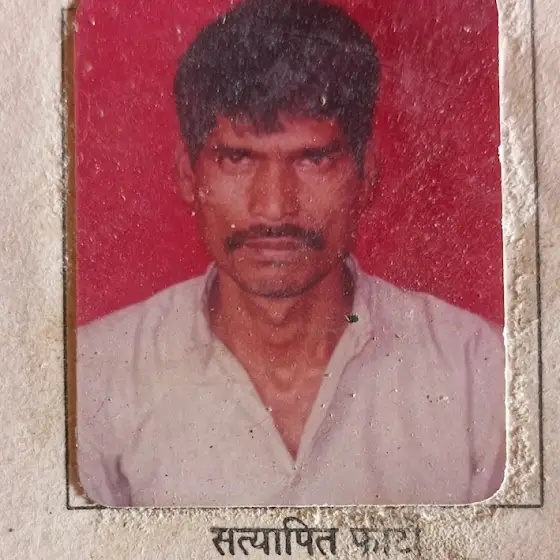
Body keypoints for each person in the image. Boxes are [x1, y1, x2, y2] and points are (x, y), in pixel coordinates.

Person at [77, 0, 505, 507]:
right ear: (188, 175)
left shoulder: (481, 373)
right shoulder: (93, 377)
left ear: (367, 173)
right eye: (237, 158)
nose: (275, 207)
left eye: (313, 158)